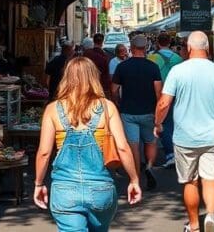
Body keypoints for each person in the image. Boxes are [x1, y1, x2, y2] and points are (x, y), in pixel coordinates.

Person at [34, 56, 142, 230]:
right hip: (101, 190)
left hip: (64, 190)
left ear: (66, 77)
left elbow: (44, 153)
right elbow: (122, 147)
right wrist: (134, 180)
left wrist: (39, 184)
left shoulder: (53, 109)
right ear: (94, 77)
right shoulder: (108, 107)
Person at [155, 31, 214, 232]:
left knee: (190, 182)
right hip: (213, 136)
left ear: (189, 47)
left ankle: (193, 225)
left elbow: (164, 102)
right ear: (207, 48)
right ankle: (210, 215)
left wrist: (158, 123)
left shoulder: (177, 71)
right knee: (211, 179)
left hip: (185, 137)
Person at [112, 34, 162, 190]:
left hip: (128, 111)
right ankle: (149, 166)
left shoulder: (122, 66)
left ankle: (136, 178)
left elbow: (114, 89)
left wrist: (116, 102)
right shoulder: (153, 67)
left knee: (133, 145)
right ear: (146, 48)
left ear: (131, 49)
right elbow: (158, 92)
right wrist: (158, 111)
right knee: (150, 142)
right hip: (148, 110)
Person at [147, 33, 183, 168]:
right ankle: (177, 152)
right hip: (176, 94)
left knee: (163, 124)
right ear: (169, 42)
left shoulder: (152, 58)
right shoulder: (178, 58)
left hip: (159, 94)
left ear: (157, 43)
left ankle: (170, 154)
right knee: (174, 123)